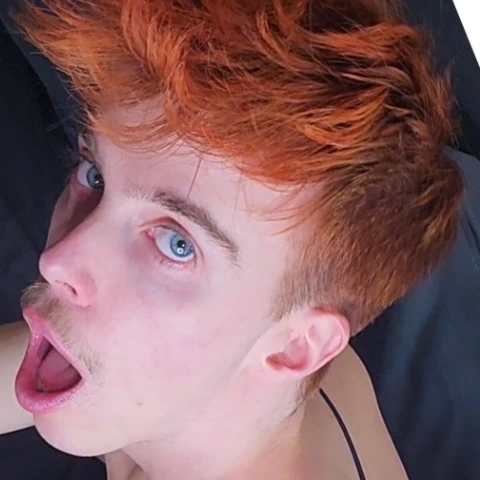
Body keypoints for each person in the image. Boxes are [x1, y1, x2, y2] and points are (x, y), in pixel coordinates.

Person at [0, 0, 465, 478]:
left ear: (296, 348)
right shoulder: (242, 357)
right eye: (94, 175)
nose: (57, 261)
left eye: (176, 243)